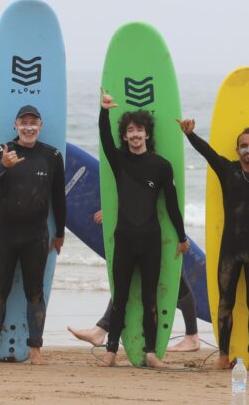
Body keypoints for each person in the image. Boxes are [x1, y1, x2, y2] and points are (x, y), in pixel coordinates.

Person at [177, 117, 249, 371]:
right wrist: (190, 135)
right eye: (244, 145)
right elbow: (207, 153)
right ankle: (223, 356)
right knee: (225, 302)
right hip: (230, 249)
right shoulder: (227, 170)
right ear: (238, 150)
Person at [98, 89, 189, 368]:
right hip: (124, 238)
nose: (135, 135)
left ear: (147, 134)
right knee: (121, 296)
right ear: (124, 136)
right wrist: (104, 111)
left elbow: (172, 205)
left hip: (151, 240)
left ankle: (151, 354)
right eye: (129, 131)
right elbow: (104, 138)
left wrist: (182, 237)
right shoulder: (119, 161)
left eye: (139, 130)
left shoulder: (162, 166)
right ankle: (111, 351)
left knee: (150, 296)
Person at [0, 104, 66, 365]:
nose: (28, 127)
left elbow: (58, 198)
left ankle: (35, 349)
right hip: (4, 234)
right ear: (16, 125)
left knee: (35, 292)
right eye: (23, 122)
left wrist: (59, 232)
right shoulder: (3, 151)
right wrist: (2, 167)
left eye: (33, 123)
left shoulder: (52, 155)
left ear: (40, 126)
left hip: (36, 235)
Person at [67, 211, 201, 352]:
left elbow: (151, 199)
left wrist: (113, 211)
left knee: (176, 280)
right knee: (131, 278)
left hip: (160, 229)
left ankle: (192, 337)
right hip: (156, 228)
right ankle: (100, 330)